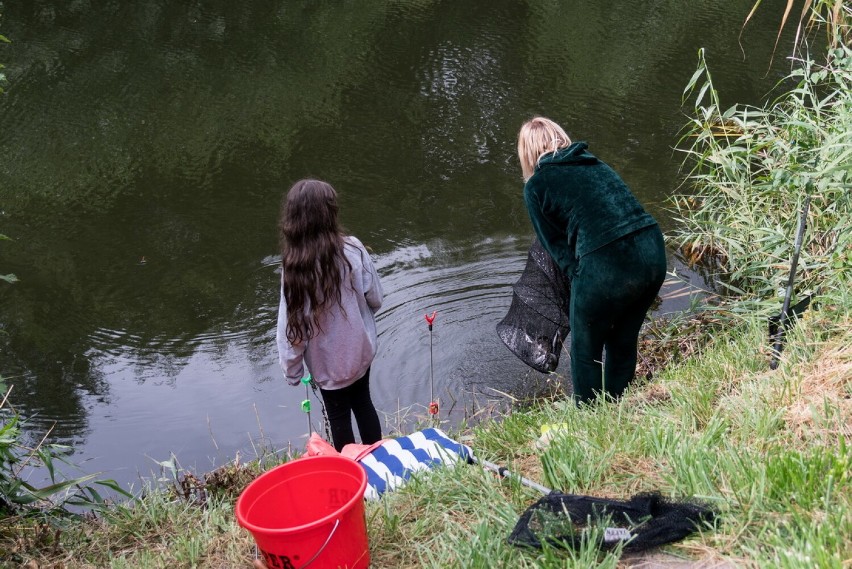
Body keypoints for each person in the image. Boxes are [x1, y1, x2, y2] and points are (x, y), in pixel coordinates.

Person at [517, 117, 666, 404]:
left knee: (586, 351)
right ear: (561, 137)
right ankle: (617, 405)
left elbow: (558, 249)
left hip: (606, 263)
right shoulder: (596, 164)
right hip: (652, 252)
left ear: (527, 153)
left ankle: (589, 418)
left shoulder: (536, 186)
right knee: (622, 340)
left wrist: (580, 285)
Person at [277, 178, 384, 451]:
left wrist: (293, 371)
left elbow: (291, 331)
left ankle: (350, 471)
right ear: (329, 214)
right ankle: (379, 459)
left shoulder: (294, 270)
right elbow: (376, 298)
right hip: (360, 352)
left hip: (327, 367)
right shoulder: (353, 249)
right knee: (364, 403)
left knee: (338, 417)